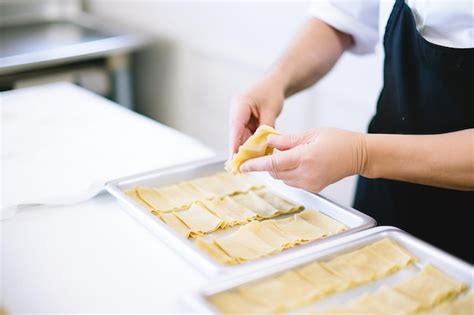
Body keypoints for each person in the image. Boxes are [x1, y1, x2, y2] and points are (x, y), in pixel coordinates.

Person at [229, 0, 474, 263]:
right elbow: (342, 16)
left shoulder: (363, 155)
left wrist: (362, 155)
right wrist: (275, 81)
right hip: (386, 197)